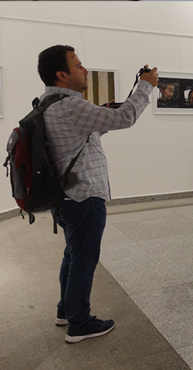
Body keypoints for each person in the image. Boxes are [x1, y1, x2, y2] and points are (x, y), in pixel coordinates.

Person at [38, 45, 158, 343]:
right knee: (84, 260)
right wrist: (146, 86)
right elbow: (126, 119)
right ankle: (79, 323)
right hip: (84, 198)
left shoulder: (48, 103)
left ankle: (66, 310)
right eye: (78, 65)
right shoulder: (71, 106)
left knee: (73, 255)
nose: (85, 70)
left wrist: (100, 115)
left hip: (65, 198)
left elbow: (82, 136)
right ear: (61, 74)